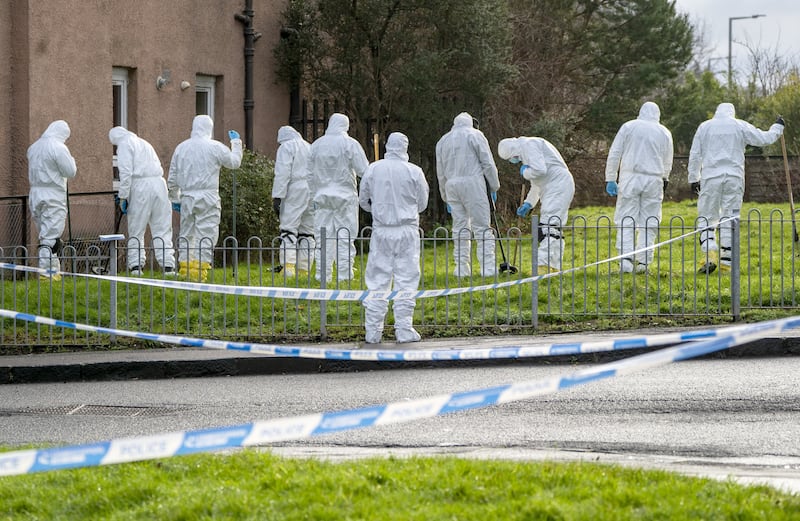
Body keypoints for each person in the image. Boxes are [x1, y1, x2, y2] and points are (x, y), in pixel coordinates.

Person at [688, 103, 784, 274]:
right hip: (734, 177)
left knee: (706, 215)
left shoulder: (705, 127)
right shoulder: (739, 125)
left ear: (717, 112)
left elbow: (695, 154)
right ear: (732, 112)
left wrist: (694, 178)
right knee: (729, 218)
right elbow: (764, 138)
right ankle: (726, 263)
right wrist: (777, 127)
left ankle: (709, 254)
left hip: (711, 177)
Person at [359, 132, 429, 344]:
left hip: (382, 230)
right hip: (407, 229)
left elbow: (363, 200)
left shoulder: (373, 169)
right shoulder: (414, 171)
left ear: (388, 146)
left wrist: (377, 210)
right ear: (405, 147)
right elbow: (423, 203)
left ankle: (373, 331)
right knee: (406, 278)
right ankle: (404, 329)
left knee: (378, 278)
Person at [167, 115, 242, 282]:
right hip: (208, 196)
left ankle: (185, 269)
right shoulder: (215, 147)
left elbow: (172, 176)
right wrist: (236, 143)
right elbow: (234, 162)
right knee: (206, 233)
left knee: (187, 233)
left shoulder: (182, 148)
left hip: (187, 196)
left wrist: (175, 198)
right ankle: (199, 272)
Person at [605, 101, 674, 274]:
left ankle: (626, 262)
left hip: (630, 177)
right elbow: (668, 159)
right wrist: (665, 177)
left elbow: (615, 153)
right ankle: (643, 262)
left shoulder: (629, 127)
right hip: (654, 179)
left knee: (626, 219)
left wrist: (611, 178)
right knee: (649, 221)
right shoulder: (664, 132)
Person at [497, 136, 575, 275]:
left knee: (548, 228)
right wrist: (528, 203)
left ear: (513, 152)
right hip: (555, 186)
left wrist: (525, 172)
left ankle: (543, 265)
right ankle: (554, 267)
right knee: (554, 228)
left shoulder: (529, 145)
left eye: (512, 158)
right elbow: (536, 184)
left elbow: (539, 170)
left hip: (557, 186)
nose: (514, 161)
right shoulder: (527, 152)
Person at [435, 112, 500, 278]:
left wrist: (445, 196)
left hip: (452, 186)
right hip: (473, 183)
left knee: (460, 228)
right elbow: (487, 162)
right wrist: (494, 186)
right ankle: (488, 268)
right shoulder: (475, 135)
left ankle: (461, 269)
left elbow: (440, 172)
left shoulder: (443, 141)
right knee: (482, 226)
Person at [308, 113, 369, 284]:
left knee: (323, 238)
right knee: (345, 237)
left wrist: (313, 196)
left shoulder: (316, 145)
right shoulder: (350, 144)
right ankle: (344, 276)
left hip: (322, 198)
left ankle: (322, 276)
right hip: (345, 198)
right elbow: (364, 170)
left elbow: (309, 174)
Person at [109, 127, 176, 276]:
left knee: (137, 228)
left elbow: (126, 173)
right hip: (159, 184)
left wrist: (123, 196)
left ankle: (136, 266)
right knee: (162, 226)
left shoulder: (124, 145)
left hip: (140, 187)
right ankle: (168, 266)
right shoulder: (145, 143)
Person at [27, 120, 77, 281]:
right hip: (53, 193)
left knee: (45, 234)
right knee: (51, 236)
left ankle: (53, 271)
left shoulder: (34, 147)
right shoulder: (58, 147)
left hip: (35, 194)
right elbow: (70, 171)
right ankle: (46, 273)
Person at [272, 126, 315, 278]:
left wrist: (277, 196)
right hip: (311, 189)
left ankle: (288, 267)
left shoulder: (286, 147)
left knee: (288, 228)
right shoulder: (309, 146)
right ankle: (304, 269)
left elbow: (282, 173)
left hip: (294, 190)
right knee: (307, 231)